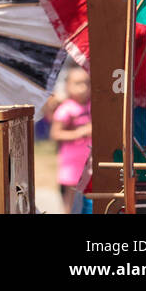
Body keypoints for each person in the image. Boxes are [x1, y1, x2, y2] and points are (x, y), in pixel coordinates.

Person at [50, 66, 92, 213]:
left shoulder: (92, 106)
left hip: (89, 161)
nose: (83, 88)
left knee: (88, 199)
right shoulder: (66, 109)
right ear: (67, 85)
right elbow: (55, 134)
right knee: (71, 200)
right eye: (78, 83)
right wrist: (79, 132)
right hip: (71, 163)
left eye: (87, 83)